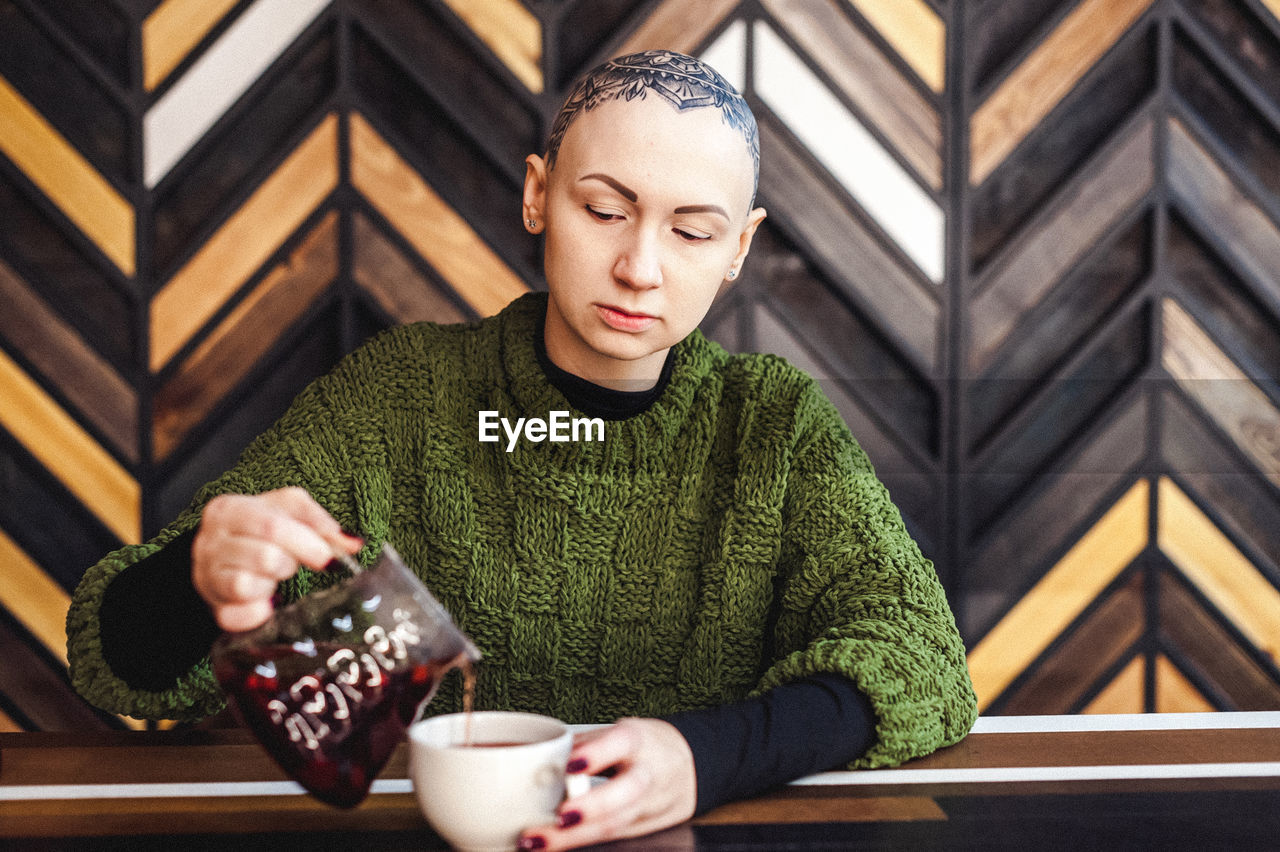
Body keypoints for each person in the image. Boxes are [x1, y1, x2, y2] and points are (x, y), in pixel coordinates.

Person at [68, 51, 977, 850]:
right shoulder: (401, 397)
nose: (641, 268)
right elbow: (120, 665)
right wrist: (200, 572)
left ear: (739, 249)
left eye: (692, 232)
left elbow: (922, 655)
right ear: (539, 195)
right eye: (605, 209)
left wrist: (706, 758)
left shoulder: (771, 424)